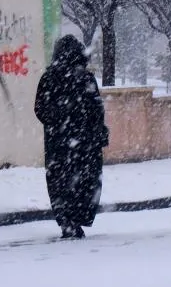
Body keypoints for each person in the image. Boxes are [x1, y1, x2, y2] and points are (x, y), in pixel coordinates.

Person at [34, 35, 109, 239]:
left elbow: (40, 109)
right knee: (84, 181)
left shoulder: (48, 78)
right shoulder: (85, 78)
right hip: (85, 144)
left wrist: (59, 122)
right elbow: (96, 109)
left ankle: (66, 219)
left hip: (58, 144)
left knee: (60, 182)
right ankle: (76, 218)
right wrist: (96, 131)